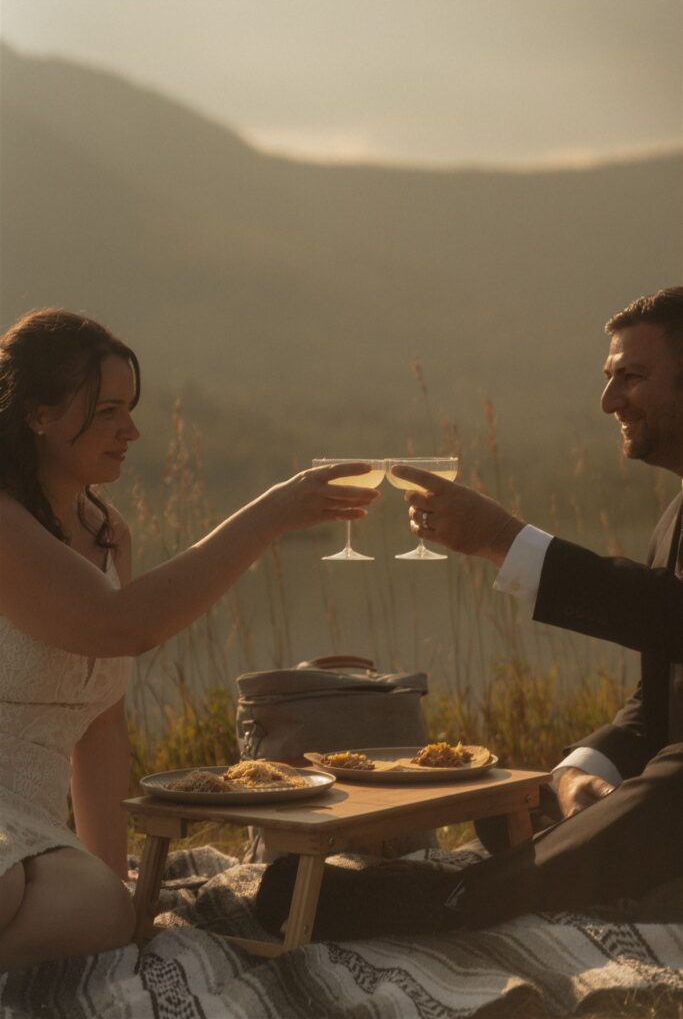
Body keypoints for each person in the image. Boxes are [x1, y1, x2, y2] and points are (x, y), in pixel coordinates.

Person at [256, 284, 683, 939]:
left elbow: (669, 613)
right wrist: (580, 772)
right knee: (516, 795)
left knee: (668, 792)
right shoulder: (675, 512)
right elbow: (659, 693)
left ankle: (447, 898)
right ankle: (580, 862)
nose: (607, 401)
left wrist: (502, 540)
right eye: (607, 377)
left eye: (631, 376)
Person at [0, 307, 380, 971]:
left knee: (102, 911)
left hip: (31, 832)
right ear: (38, 413)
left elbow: (100, 726)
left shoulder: (106, 530)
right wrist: (271, 514)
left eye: (131, 409)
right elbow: (123, 626)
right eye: (110, 411)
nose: (132, 430)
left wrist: (119, 881)